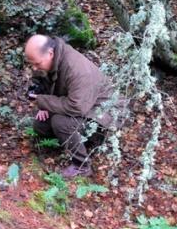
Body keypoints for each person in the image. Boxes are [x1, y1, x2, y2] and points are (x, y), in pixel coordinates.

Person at [24, 34, 127, 178]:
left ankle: (82, 166)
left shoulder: (76, 69)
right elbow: (45, 84)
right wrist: (41, 101)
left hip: (104, 114)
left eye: (37, 63)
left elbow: (77, 107)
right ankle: (71, 142)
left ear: (50, 53)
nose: (34, 68)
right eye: (32, 64)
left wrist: (44, 101)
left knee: (60, 123)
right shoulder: (51, 60)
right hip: (82, 104)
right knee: (40, 125)